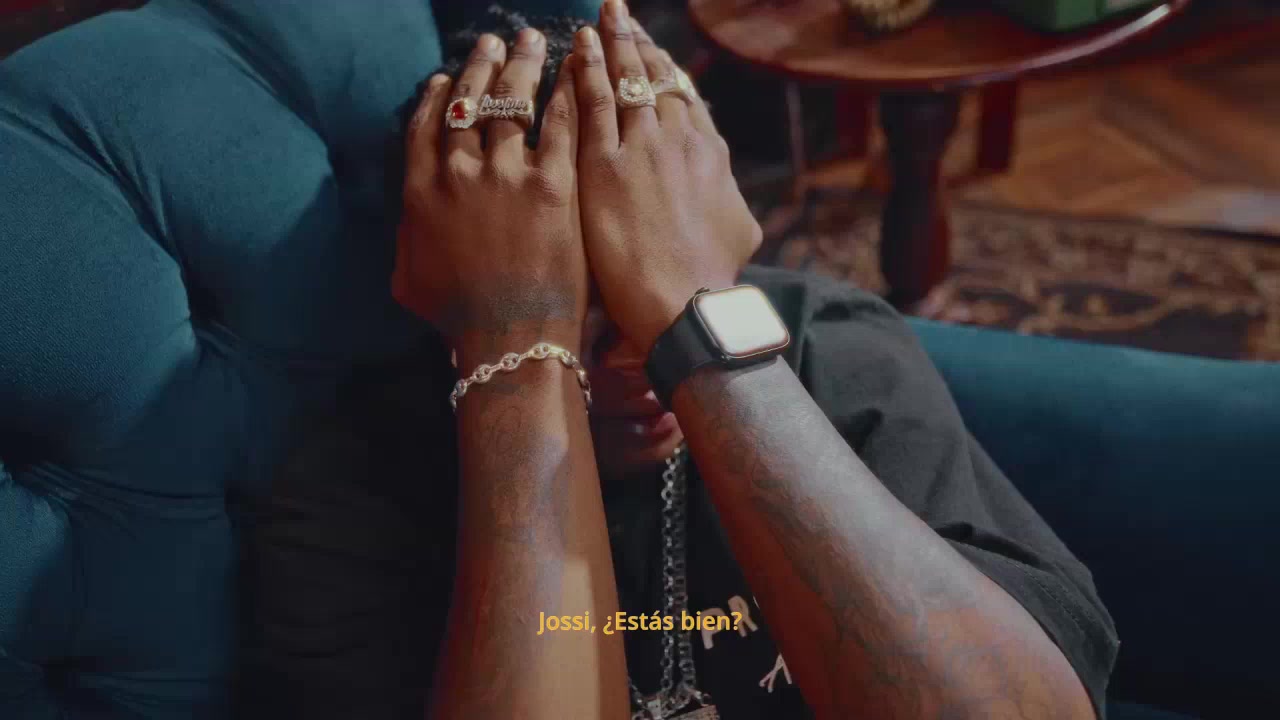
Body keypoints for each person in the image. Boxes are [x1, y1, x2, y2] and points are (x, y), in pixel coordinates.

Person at [243, 4, 1119, 719]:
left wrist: (702, 328)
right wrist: (519, 342)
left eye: (649, 301)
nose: (641, 359)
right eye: (585, 318)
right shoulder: (350, 491)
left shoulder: (828, 344)